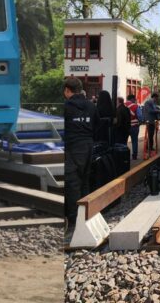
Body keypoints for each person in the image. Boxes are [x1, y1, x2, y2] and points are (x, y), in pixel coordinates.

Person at [63, 77, 98, 227]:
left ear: (67, 90)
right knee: (85, 181)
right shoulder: (91, 106)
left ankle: (73, 219)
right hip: (88, 146)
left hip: (72, 147)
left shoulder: (66, 107)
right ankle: (86, 215)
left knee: (72, 183)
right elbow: (97, 125)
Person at [125, 94, 140, 161]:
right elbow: (140, 116)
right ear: (132, 99)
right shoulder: (136, 106)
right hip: (134, 127)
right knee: (134, 141)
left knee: (124, 141)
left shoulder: (122, 105)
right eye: (135, 99)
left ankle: (124, 155)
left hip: (125, 127)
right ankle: (134, 156)